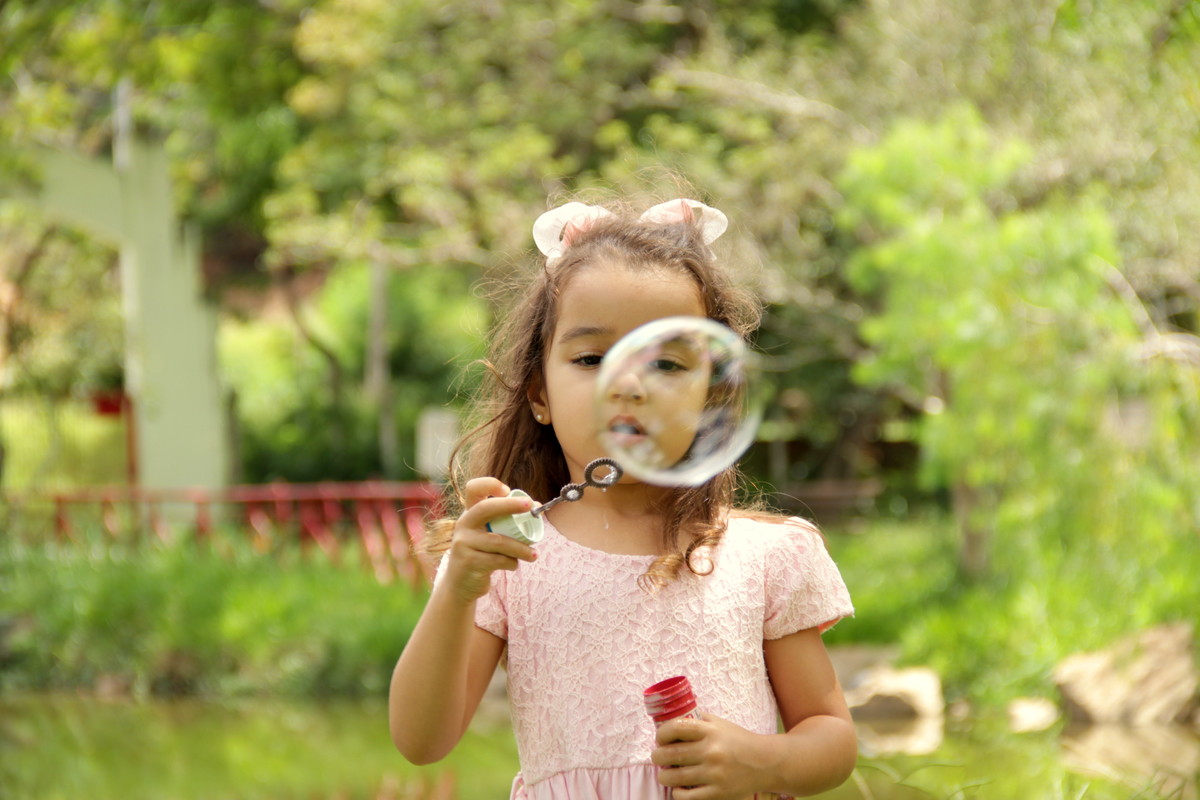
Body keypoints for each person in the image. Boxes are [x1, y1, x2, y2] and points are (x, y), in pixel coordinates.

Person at [389, 193, 857, 799]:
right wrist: (458, 589)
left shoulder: (765, 556)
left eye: (666, 363)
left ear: (711, 395)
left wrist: (761, 761)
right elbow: (421, 741)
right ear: (540, 395)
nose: (628, 385)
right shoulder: (511, 551)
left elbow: (833, 739)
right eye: (592, 357)